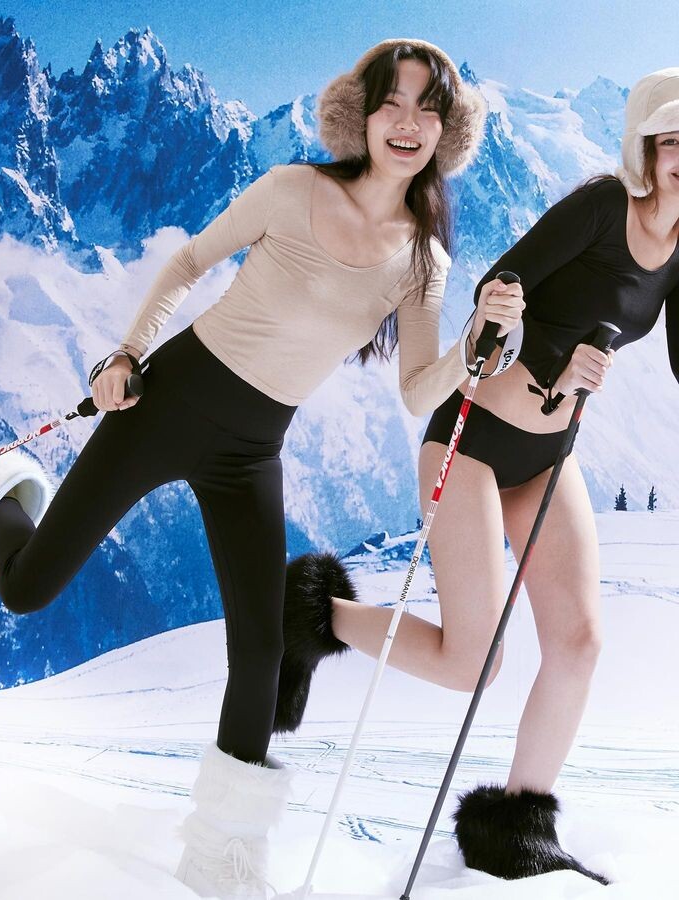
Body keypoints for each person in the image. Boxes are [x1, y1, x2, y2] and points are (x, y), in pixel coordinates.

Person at [0, 39, 524, 899]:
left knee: (261, 650)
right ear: (362, 116)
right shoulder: (294, 188)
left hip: (254, 449)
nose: (407, 123)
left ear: (446, 133)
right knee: (27, 589)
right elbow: (191, 261)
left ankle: (224, 858)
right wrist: (126, 353)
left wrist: (478, 342)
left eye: (428, 109)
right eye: (392, 103)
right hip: (167, 402)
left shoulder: (424, 261)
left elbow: (418, 389)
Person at [279, 68, 679, 885]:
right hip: (473, 441)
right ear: (647, 148)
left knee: (579, 641)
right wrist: (554, 357)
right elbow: (505, 282)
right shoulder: (603, 207)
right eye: (676, 142)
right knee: (474, 663)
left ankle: (516, 831)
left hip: (549, 456)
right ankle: (313, 616)